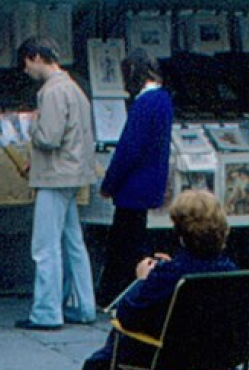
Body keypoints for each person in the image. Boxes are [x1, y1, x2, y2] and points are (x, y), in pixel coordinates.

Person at [81, 190, 236, 370]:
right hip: (213, 358)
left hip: (165, 356)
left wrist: (143, 280)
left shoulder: (170, 275)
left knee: (98, 361)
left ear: (180, 233)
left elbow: (126, 314)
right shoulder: (231, 271)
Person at [15, 36, 98, 330]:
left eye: (25, 62)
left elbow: (48, 138)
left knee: (45, 246)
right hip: (73, 173)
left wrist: (33, 124)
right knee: (73, 242)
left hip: (54, 176)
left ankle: (47, 312)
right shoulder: (75, 88)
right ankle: (84, 305)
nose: (25, 70)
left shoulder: (50, 92)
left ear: (37, 57)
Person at [96, 49, 174, 307]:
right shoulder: (164, 100)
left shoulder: (144, 104)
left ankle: (112, 295)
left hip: (133, 186)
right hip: (150, 182)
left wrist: (109, 184)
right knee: (133, 239)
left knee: (123, 244)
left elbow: (128, 150)